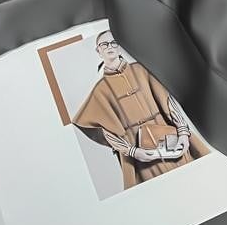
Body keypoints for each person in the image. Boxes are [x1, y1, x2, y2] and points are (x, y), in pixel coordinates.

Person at [73, 30, 210, 190]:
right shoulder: (99, 90)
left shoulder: (143, 69)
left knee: (196, 183)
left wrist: (183, 133)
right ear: (98, 50)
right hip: (139, 154)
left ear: (120, 46)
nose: (110, 46)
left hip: (170, 140)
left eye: (114, 42)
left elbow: (167, 102)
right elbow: (107, 132)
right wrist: (132, 151)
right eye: (104, 44)